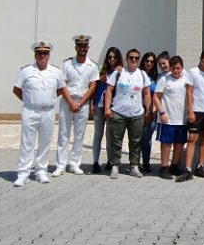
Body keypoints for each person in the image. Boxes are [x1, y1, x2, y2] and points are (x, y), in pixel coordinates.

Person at [12, 41, 64, 187]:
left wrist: (48, 99)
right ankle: (23, 173)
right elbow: (16, 89)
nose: (42, 55)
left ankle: (41, 170)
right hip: (30, 110)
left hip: (48, 111)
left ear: (49, 55)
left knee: (45, 142)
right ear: (35, 55)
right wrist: (29, 100)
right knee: (27, 142)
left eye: (45, 53)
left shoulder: (56, 72)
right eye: (39, 53)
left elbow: (60, 89)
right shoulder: (26, 71)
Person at [52, 34, 99, 178]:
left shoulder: (92, 65)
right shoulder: (67, 64)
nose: (82, 48)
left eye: (85, 46)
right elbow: (62, 85)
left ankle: (74, 164)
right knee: (63, 135)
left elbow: (92, 86)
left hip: (82, 104)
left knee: (79, 135)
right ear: (75, 47)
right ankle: (60, 165)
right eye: (79, 45)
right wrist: (71, 103)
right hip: (67, 102)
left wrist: (81, 102)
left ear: (88, 48)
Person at [104, 48, 152, 179]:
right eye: (131, 57)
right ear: (126, 58)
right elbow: (109, 90)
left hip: (136, 114)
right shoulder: (119, 73)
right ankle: (115, 165)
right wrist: (107, 108)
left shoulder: (142, 74)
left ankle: (134, 166)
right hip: (118, 113)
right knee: (116, 141)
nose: (134, 60)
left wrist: (148, 110)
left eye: (136, 58)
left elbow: (147, 93)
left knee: (135, 142)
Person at [177, 48, 204, 182]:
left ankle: (200, 167)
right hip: (196, 111)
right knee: (192, 139)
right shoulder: (193, 72)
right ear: (201, 58)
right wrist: (190, 111)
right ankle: (188, 169)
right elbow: (189, 92)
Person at [153, 54, 188, 180]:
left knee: (179, 143)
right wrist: (162, 113)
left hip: (182, 118)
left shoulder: (186, 79)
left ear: (182, 68)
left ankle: (174, 165)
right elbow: (156, 97)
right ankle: (164, 167)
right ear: (170, 68)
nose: (176, 71)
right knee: (166, 143)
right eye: (174, 68)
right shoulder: (164, 79)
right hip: (167, 118)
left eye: (178, 68)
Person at [91, 47, 122, 174]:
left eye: (114, 57)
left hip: (112, 107)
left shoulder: (121, 71)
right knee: (98, 134)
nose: (112, 59)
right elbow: (94, 87)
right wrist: (92, 103)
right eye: (109, 57)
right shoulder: (100, 70)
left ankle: (110, 161)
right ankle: (95, 162)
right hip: (99, 105)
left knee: (110, 136)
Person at [139, 51, 159, 172]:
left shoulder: (155, 77)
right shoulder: (137, 74)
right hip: (137, 110)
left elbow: (158, 95)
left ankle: (146, 163)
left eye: (152, 61)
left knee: (147, 139)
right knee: (136, 138)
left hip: (152, 112)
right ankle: (134, 163)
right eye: (147, 61)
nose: (149, 63)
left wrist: (153, 111)